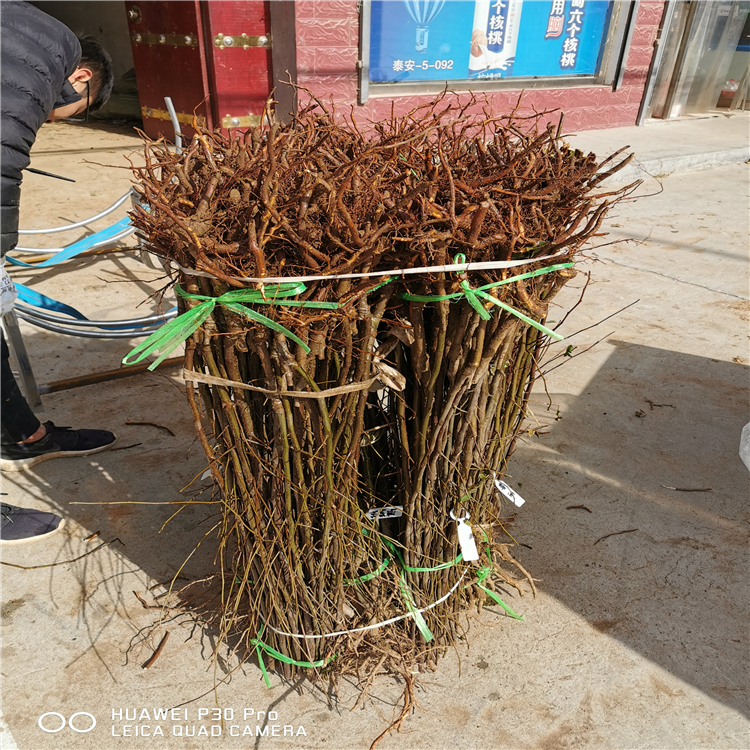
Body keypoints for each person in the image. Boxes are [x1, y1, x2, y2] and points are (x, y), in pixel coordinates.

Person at [0, 2, 116, 544]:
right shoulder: (29, 64)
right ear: (81, 79)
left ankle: (26, 434)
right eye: (79, 110)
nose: (55, 117)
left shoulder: (23, 34)